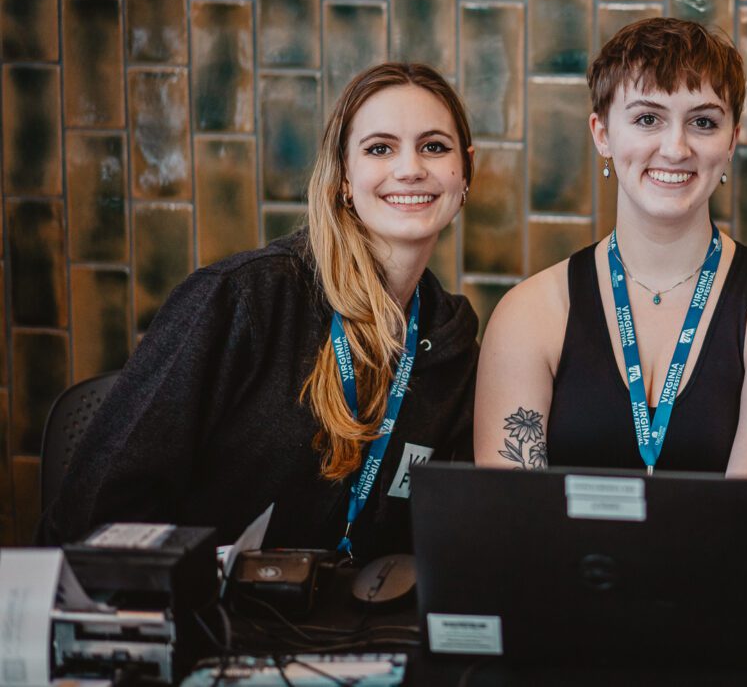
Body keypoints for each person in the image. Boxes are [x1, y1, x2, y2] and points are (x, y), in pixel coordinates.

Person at [40, 63, 479, 560]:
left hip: (356, 627)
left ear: (464, 171)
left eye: (434, 147)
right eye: (380, 148)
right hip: (208, 622)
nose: (409, 169)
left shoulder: (452, 348)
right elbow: (94, 512)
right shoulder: (241, 299)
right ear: (342, 178)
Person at [473, 18, 747, 524]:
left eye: (704, 122)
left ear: (732, 141)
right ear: (602, 133)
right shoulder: (530, 314)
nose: (676, 148)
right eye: (647, 119)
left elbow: (746, 535)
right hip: (561, 601)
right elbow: (512, 525)